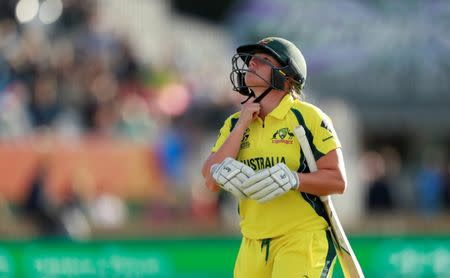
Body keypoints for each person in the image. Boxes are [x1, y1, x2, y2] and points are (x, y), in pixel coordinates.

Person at [201, 37, 347, 278]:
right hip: (252, 242)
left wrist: (294, 179)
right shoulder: (234, 123)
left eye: (264, 60)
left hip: (301, 239)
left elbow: (337, 181)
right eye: (251, 60)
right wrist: (242, 125)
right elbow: (210, 180)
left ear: (287, 76)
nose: (252, 64)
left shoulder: (308, 117)